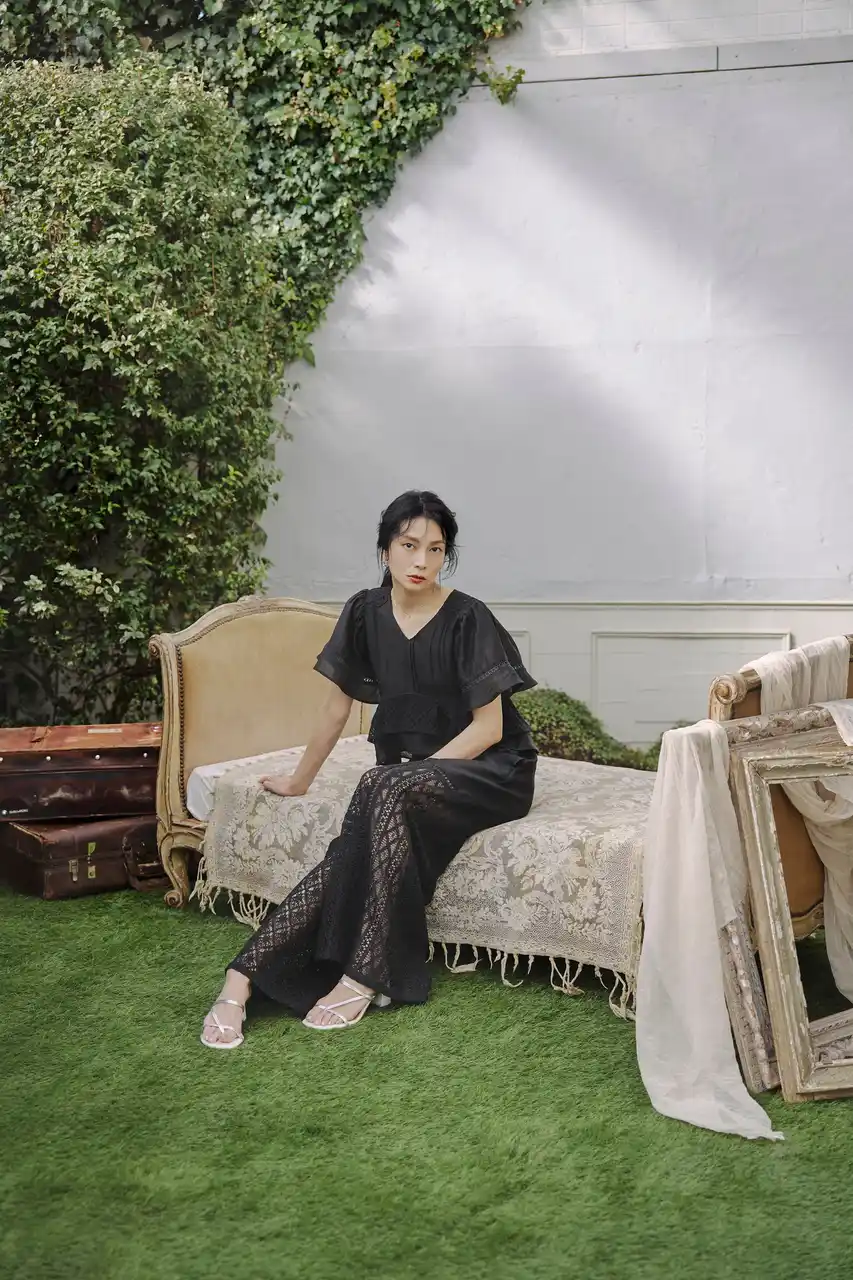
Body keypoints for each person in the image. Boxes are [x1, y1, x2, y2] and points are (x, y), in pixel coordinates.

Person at [201, 490, 538, 1047]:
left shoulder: (468, 617)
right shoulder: (364, 612)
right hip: (407, 778)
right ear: (385, 550)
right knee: (357, 840)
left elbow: (490, 730)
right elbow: (336, 709)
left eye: (436, 549)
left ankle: (359, 975)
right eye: (409, 546)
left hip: (492, 771)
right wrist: (300, 780)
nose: (421, 561)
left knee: (380, 787)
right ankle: (242, 979)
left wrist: (406, 778)